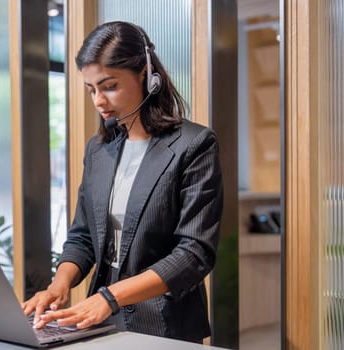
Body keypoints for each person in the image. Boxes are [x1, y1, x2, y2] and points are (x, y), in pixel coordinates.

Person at [22, 21, 223, 344]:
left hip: (164, 324)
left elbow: (194, 253)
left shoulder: (194, 144)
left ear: (146, 75)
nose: (98, 101)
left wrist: (111, 297)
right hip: (100, 320)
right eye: (91, 89)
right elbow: (83, 235)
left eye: (109, 86)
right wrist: (58, 286)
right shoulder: (99, 150)